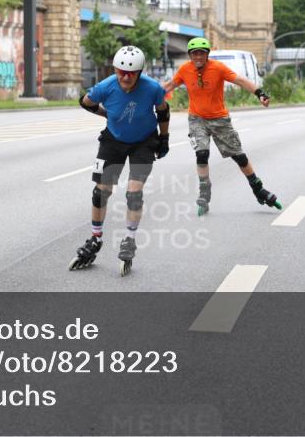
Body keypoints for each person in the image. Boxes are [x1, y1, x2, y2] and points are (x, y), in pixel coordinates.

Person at [71, 45, 170, 276]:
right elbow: (85, 102)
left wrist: (164, 139)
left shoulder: (153, 88)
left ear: (140, 72)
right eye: (121, 72)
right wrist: (106, 113)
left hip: (144, 142)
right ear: (115, 69)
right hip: (113, 140)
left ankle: (129, 239)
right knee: (100, 192)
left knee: (134, 193)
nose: (125, 77)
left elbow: (163, 112)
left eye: (131, 73)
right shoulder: (105, 86)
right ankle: (96, 239)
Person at [163, 37, 281, 216]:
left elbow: (240, 80)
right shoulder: (185, 70)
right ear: (190, 55)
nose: (198, 57)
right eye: (195, 54)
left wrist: (260, 93)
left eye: (202, 53)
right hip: (196, 119)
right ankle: (204, 191)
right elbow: (170, 85)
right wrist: (148, 96)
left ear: (207, 54)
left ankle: (258, 188)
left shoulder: (218, 68)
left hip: (219, 119)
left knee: (239, 157)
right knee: (201, 153)